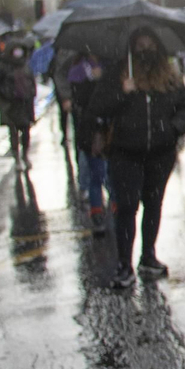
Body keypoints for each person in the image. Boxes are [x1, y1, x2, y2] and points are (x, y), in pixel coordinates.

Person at [86, 29, 185, 289]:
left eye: (149, 44)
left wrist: (173, 129)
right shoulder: (118, 74)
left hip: (160, 152)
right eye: (139, 44)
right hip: (125, 153)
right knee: (126, 207)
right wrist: (121, 92)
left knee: (154, 203)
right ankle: (125, 264)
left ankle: (149, 257)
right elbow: (96, 109)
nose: (145, 49)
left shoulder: (170, 76)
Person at [67, 48, 110, 234]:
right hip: (90, 131)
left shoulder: (110, 66)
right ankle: (97, 214)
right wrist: (91, 81)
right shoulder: (77, 70)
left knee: (113, 175)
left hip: (111, 129)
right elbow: (80, 100)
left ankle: (116, 211)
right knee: (97, 173)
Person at [0, 41, 37, 170]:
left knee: (25, 130)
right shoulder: (2, 66)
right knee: (13, 131)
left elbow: (31, 81)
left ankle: (25, 155)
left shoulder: (25, 65)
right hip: (10, 104)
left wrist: (31, 94)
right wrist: (8, 94)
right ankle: (17, 157)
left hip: (24, 103)